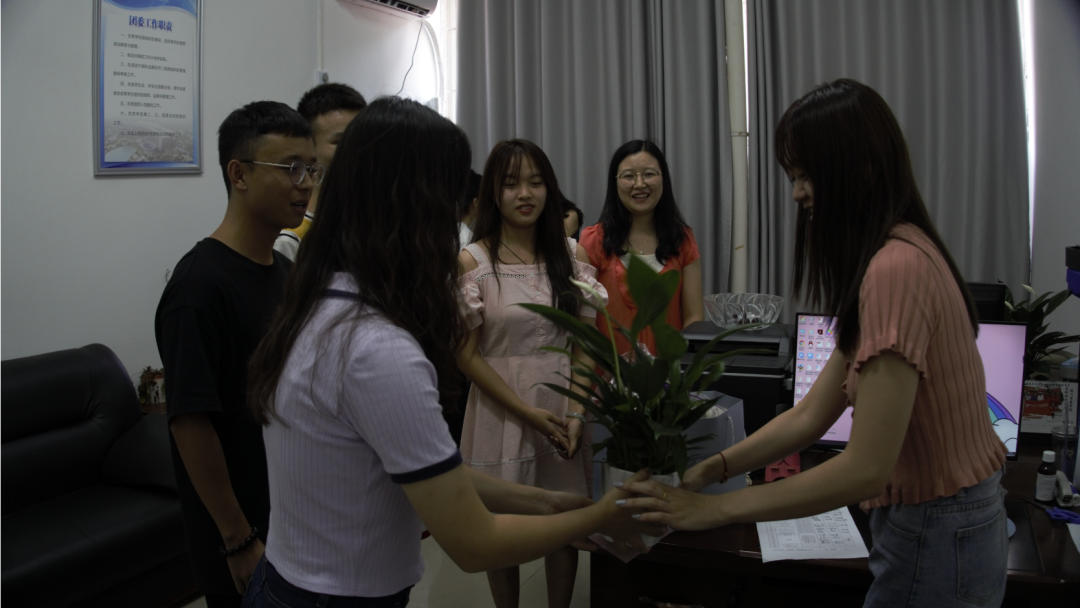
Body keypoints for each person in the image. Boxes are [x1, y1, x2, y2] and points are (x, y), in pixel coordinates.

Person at [242, 98, 658, 608]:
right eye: (449, 199)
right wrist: (600, 516)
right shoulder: (378, 349)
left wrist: (551, 501)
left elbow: (432, 473)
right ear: (410, 206)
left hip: (290, 582)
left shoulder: (319, 302)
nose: (458, 218)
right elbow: (474, 542)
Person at [620, 79, 1009, 607]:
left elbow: (865, 468)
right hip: (936, 520)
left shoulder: (894, 269)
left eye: (805, 175)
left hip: (938, 527)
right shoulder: (897, 252)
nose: (797, 193)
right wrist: (716, 468)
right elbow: (810, 414)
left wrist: (716, 509)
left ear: (860, 167)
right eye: (793, 176)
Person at [155, 101, 322, 607]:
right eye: (290, 168)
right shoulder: (198, 287)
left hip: (293, 515)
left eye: (311, 168)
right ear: (239, 174)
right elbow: (191, 422)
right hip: (243, 533)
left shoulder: (287, 273)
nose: (305, 183)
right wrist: (237, 538)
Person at [456, 139, 605, 608]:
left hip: (563, 407)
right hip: (500, 410)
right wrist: (525, 412)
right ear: (492, 193)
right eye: (511, 183)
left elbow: (584, 346)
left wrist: (576, 411)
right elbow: (467, 356)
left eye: (536, 183)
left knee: (564, 521)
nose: (525, 194)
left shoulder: (573, 256)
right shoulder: (473, 262)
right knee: (501, 525)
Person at [579, 140, 704, 356]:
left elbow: (694, 316)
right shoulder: (594, 240)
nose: (639, 184)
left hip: (667, 370)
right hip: (608, 370)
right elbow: (584, 321)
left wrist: (679, 364)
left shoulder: (683, 240)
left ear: (663, 178)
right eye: (628, 176)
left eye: (649, 174)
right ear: (615, 183)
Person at [274, 83, 367, 261]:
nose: (359, 148)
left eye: (363, 138)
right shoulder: (291, 239)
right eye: (341, 141)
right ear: (310, 147)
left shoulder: (371, 221)